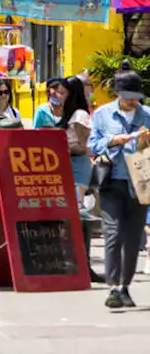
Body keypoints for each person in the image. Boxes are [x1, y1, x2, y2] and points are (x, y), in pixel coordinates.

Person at [88, 63, 150, 309]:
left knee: (133, 238)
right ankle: (113, 288)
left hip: (139, 184)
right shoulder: (103, 114)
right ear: (118, 95)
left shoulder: (147, 115)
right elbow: (92, 145)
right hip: (111, 182)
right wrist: (114, 140)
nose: (132, 103)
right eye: (128, 98)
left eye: (136, 99)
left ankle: (125, 285)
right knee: (112, 234)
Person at [57, 75, 102, 283]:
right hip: (65, 164)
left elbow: (84, 144)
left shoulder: (80, 114)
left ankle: (84, 264)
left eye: (63, 91)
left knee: (78, 211)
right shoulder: (67, 112)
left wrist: (63, 146)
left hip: (78, 164)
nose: (60, 95)